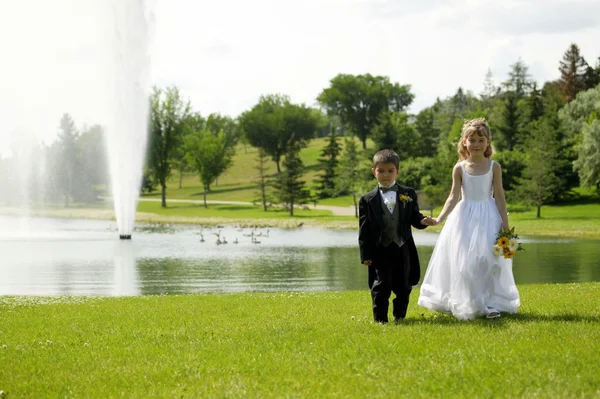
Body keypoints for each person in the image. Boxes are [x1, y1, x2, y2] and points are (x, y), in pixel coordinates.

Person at [417, 118, 520, 320]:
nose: (476, 144)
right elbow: (453, 197)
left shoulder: (494, 167)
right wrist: (439, 219)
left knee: (489, 260)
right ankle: (471, 302)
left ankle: (489, 303)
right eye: (472, 140)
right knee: (466, 262)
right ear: (464, 142)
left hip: (489, 216)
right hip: (464, 218)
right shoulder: (460, 168)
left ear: (488, 142)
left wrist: (505, 226)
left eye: (481, 140)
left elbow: (499, 195)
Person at [359, 149, 434, 323]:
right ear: (374, 172)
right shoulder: (367, 199)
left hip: (403, 247)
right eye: (381, 171)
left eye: (390, 171)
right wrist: (366, 254)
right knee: (381, 285)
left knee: (404, 285)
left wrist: (423, 221)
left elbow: (414, 217)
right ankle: (380, 320)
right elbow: (364, 229)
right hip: (380, 249)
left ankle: (399, 316)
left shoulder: (408, 193)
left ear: (397, 171)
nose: (386, 175)